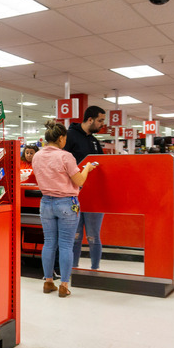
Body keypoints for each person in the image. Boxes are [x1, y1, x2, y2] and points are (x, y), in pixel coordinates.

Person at [32, 121, 96, 297]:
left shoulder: (37, 156)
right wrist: (87, 169)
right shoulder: (65, 156)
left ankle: (48, 282)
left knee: (49, 242)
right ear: (61, 138)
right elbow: (79, 181)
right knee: (66, 245)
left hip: (46, 203)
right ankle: (64, 286)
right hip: (66, 203)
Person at [64, 106, 105, 271]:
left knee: (93, 236)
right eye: (100, 120)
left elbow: (103, 165)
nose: (102, 124)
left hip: (95, 196)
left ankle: (95, 269)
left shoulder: (94, 141)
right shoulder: (70, 137)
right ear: (90, 119)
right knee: (75, 236)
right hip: (74, 195)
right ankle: (72, 270)